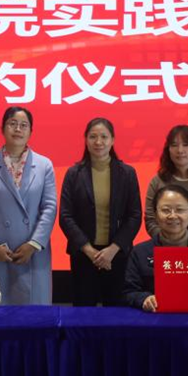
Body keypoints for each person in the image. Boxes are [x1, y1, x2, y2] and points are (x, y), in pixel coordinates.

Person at [0, 107, 58, 304]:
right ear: (2, 128)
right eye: (12, 124)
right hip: (1, 250)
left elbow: (49, 207)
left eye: (23, 125)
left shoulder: (44, 165)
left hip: (33, 251)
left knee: (35, 312)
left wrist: (33, 244)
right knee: (0, 307)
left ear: (31, 131)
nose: (18, 129)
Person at [59, 117, 142, 306]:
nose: (98, 142)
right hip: (83, 255)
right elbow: (65, 216)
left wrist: (113, 249)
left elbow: (134, 215)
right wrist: (89, 251)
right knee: (83, 313)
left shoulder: (127, 173)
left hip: (116, 256)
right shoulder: (74, 174)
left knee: (116, 313)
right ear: (85, 140)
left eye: (104, 137)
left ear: (112, 140)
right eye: (93, 137)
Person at [124, 184, 188, 312]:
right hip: (155, 319)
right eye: (166, 210)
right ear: (156, 214)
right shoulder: (140, 252)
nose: (173, 216)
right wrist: (144, 299)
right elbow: (129, 292)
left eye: (180, 210)